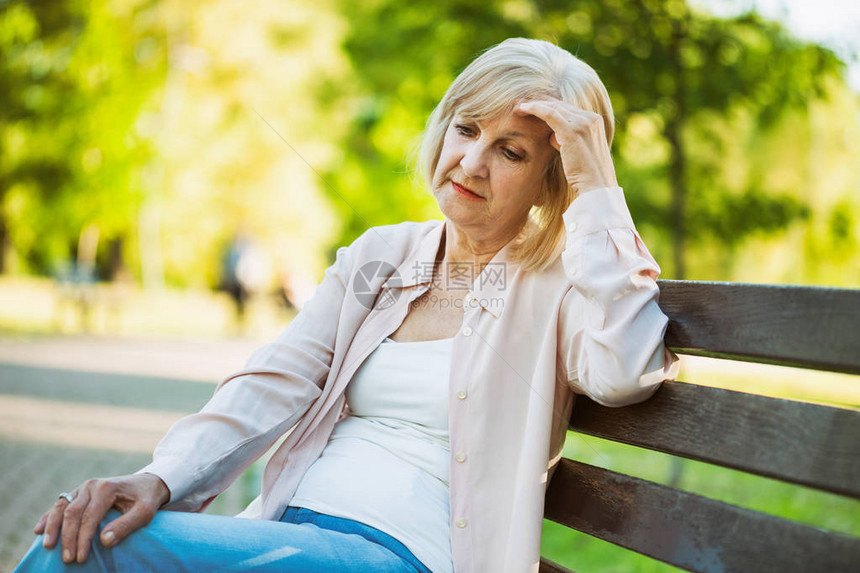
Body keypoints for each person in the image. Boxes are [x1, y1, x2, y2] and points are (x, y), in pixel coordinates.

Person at [15, 38, 678, 573]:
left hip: (404, 551)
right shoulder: (381, 255)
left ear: (549, 180)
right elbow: (273, 378)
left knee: (83, 552)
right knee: (82, 532)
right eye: (466, 128)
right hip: (290, 531)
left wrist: (598, 189)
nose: (472, 162)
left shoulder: (560, 284)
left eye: (511, 151)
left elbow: (626, 369)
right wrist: (160, 478)